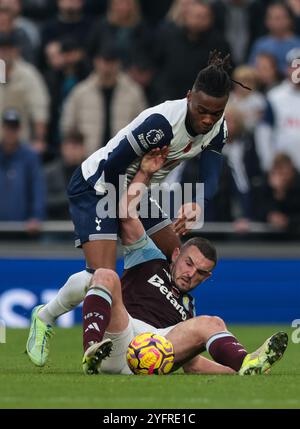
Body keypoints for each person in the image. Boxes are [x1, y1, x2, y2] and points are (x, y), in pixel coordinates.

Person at [26, 51, 234, 366]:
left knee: (176, 256)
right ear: (189, 97)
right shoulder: (162, 124)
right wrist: (124, 214)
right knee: (102, 274)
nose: (207, 119)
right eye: (202, 110)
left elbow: (212, 175)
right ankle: (45, 317)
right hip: (98, 185)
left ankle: (154, 332)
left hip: (138, 187)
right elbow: (112, 168)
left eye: (215, 113)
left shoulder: (218, 129)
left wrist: (197, 201)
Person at [26, 147, 288, 375]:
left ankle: (246, 363)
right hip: (120, 337)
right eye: (188, 263)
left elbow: (193, 365)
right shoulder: (149, 258)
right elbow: (127, 214)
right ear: (176, 254)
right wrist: (145, 174)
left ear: (207, 277)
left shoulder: (189, 310)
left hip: (157, 352)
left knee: (213, 323)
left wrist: (232, 372)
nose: (190, 274)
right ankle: (90, 350)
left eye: (200, 272)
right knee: (104, 275)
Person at [0, 108, 46, 233]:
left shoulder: (30, 157)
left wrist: (36, 216)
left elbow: (37, 188)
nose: (11, 132)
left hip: (23, 229)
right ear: (3, 128)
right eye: (8, 127)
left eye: (14, 128)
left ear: (19, 129)